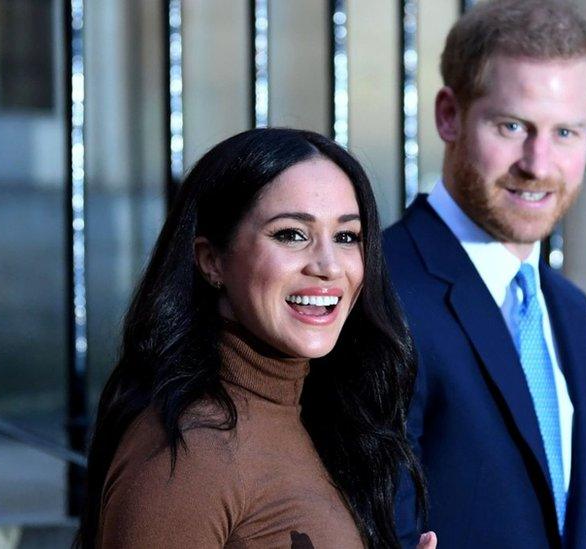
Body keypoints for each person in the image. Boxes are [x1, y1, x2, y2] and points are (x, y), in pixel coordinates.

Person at [75, 128, 435, 548]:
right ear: (211, 261)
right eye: (291, 234)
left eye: (346, 237)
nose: (328, 265)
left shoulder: (321, 418)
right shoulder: (191, 451)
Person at [386, 1, 586, 547]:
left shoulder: (573, 313)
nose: (537, 163)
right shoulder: (380, 289)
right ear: (448, 115)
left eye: (565, 133)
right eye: (512, 126)